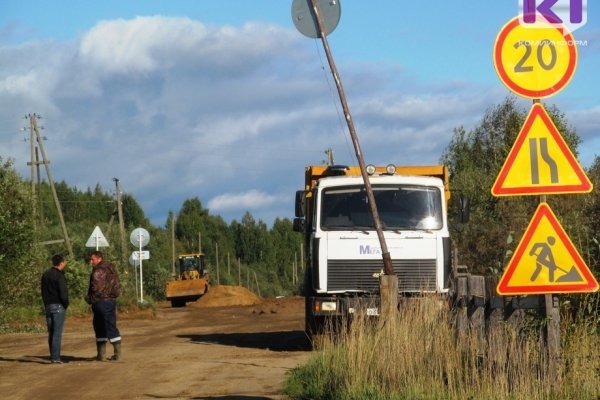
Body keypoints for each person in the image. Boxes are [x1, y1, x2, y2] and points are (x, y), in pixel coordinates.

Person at [85, 251, 122, 361]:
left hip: (101, 302)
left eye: (92, 259)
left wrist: (89, 299)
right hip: (111, 301)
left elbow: (96, 288)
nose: (91, 262)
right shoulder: (111, 268)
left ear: (99, 258)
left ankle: (101, 355)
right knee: (111, 325)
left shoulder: (99, 270)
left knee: (100, 326)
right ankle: (118, 354)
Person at [41, 254, 69, 364]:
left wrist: (46, 303)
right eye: (65, 262)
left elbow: (43, 292)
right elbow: (63, 293)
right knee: (57, 333)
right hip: (58, 306)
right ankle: (56, 357)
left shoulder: (45, 274)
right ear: (61, 263)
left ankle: (53, 355)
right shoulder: (60, 276)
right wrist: (65, 304)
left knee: (51, 332)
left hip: (48, 306)